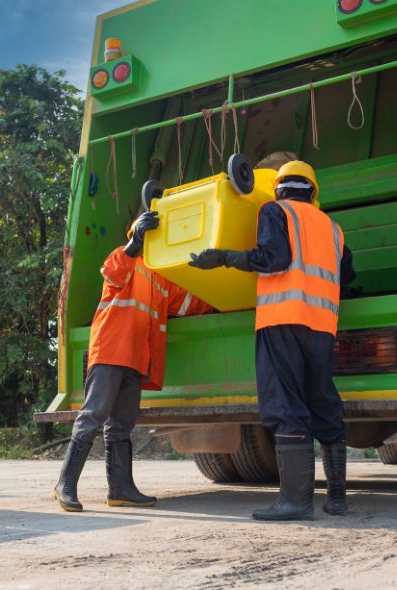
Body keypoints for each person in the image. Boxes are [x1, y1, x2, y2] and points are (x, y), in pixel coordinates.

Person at [189, 160, 355, 521]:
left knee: (286, 405)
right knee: (324, 402)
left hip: (282, 320)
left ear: (278, 188)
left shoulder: (274, 211)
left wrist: (225, 257)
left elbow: (274, 259)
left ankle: (295, 501)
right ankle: (338, 497)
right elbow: (347, 273)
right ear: (313, 191)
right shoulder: (333, 228)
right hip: (322, 325)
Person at [53, 210, 212, 512]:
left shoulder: (162, 278)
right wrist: (133, 243)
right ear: (136, 234)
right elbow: (112, 271)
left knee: (122, 425)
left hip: (137, 359)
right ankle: (65, 485)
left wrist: (211, 270)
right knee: (93, 415)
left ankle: (121, 490)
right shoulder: (123, 259)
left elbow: (193, 303)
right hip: (112, 351)